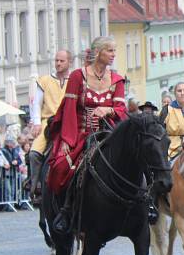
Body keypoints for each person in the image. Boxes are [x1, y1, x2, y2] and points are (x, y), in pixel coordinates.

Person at [48, 37, 128, 234]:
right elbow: (68, 110)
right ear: (98, 52)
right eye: (109, 50)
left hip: (108, 133)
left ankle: (143, 207)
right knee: (61, 167)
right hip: (79, 132)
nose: (113, 55)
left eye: (114, 51)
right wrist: (67, 139)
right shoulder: (78, 76)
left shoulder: (116, 79)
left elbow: (121, 108)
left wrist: (107, 110)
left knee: (136, 162)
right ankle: (65, 211)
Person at [28, 50, 71, 204]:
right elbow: (36, 104)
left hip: (68, 122)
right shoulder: (45, 80)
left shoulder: (74, 80)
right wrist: (37, 123)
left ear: (69, 62)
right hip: (49, 122)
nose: (58, 63)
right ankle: (36, 186)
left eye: (62, 61)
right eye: (56, 60)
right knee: (34, 153)